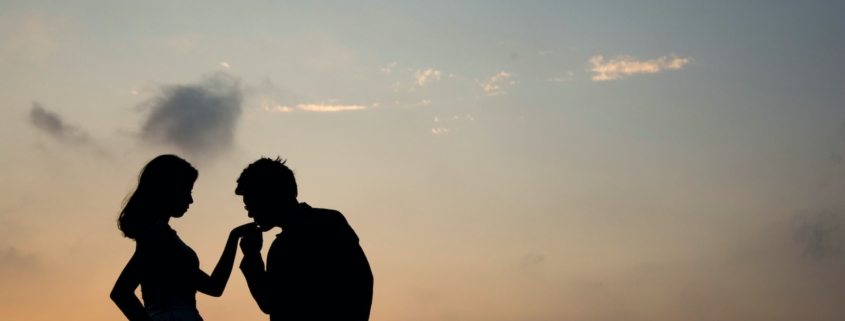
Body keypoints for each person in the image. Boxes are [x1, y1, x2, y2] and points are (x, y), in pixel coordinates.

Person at [110, 154, 255, 321]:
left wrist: (234, 237)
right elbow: (121, 293)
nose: (190, 199)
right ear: (168, 190)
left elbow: (214, 287)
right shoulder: (158, 235)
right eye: (187, 190)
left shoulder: (163, 237)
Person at [236, 157, 374, 321]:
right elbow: (269, 303)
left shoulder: (328, 223)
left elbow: (361, 281)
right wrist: (252, 256)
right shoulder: (277, 248)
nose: (250, 214)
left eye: (252, 205)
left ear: (272, 196)